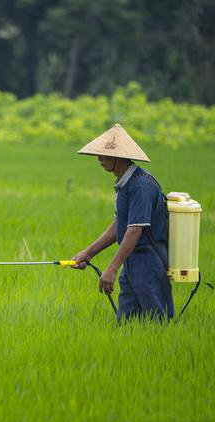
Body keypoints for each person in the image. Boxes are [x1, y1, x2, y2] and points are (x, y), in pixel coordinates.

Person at [71, 124, 174, 322]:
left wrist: (111, 268)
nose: (100, 160)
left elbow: (134, 230)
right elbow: (121, 224)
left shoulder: (140, 186)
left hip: (149, 262)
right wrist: (88, 253)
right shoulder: (125, 184)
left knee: (156, 324)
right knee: (126, 323)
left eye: (105, 155)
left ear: (121, 157)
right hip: (132, 260)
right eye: (98, 155)